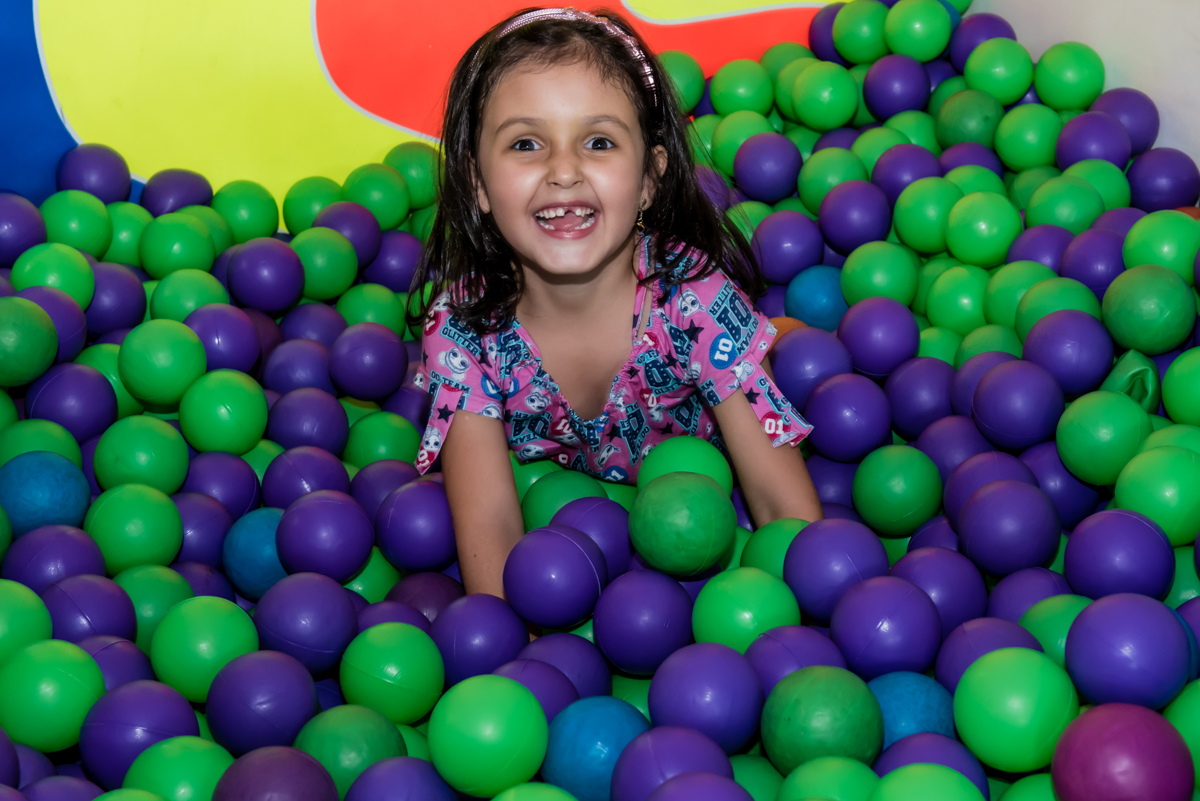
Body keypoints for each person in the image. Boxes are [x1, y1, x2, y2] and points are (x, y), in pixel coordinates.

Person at [409, 6, 822, 598]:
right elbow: (492, 534)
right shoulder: (462, 331)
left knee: (788, 348)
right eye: (526, 143)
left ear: (650, 178)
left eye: (598, 141)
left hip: (692, 479)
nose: (564, 171)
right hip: (568, 513)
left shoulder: (693, 300)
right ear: (477, 182)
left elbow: (786, 513)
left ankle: (766, 339)